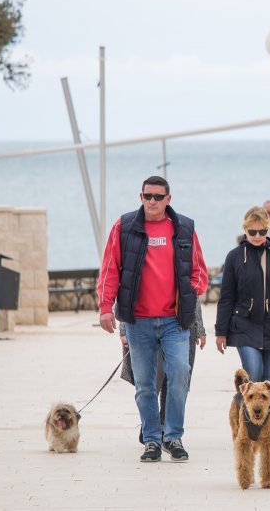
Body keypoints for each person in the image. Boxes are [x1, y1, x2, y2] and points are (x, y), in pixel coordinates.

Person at [97, 175, 208, 463]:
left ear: (168, 199)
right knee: (145, 383)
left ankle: (173, 436)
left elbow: (200, 273)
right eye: (148, 196)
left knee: (180, 373)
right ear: (141, 196)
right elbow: (110, 269)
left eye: (159, 196)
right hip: (138, 322)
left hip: (175, 321)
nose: (153, 201)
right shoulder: (124, 227)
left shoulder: (184, 227)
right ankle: (151, 440)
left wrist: (189, 292)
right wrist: (105, 307)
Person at [214, 206, 270, 402]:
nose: (257, 236)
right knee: (253, 373)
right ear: (245, 230)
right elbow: (226, 297)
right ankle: (248, 426)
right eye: (252, 231)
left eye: (263, 231)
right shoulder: (234, 256)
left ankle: (267, 429)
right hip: (244, 325)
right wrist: (221, 331)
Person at [119, 302, 206, 443]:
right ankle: (151, 426)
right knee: (153, 377)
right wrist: (124, 328)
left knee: (177, 376)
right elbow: (127, 289)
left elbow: (192, 294)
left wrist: (199, 327)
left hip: (178, 322)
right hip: (144, 324)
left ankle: (167, 428)